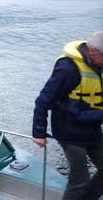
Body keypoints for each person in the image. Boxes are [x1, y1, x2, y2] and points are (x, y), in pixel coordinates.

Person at [32, 31, 103, 199]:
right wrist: (38, 132)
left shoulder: (97, 66)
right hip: (69, 132)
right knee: (79, 180)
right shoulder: (68, 69)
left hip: (92, 130)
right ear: (93, 51)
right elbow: (43, 100)